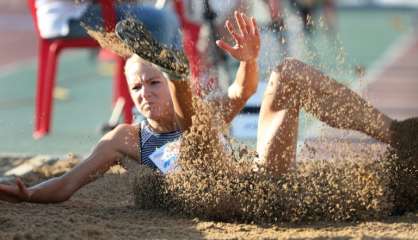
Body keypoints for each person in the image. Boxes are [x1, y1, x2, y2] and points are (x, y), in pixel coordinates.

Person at [0, 11, 415, 203]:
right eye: (137, 88)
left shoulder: (203, 111)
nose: (144, 94)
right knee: (191, 139)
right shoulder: (127, 138)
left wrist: (250, 60)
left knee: (286, 71)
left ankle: (398, 134)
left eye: (153, 82)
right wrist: (29, 194)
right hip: (218, 197)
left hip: (263, 185)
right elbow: (68, 183)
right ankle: (176, 69)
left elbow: (240, 90)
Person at [35, 0, 182, 49]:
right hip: (69, 19)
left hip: (86, 11)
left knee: (170, 19)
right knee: (161, 22)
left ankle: (179, 100)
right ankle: (149, 110)